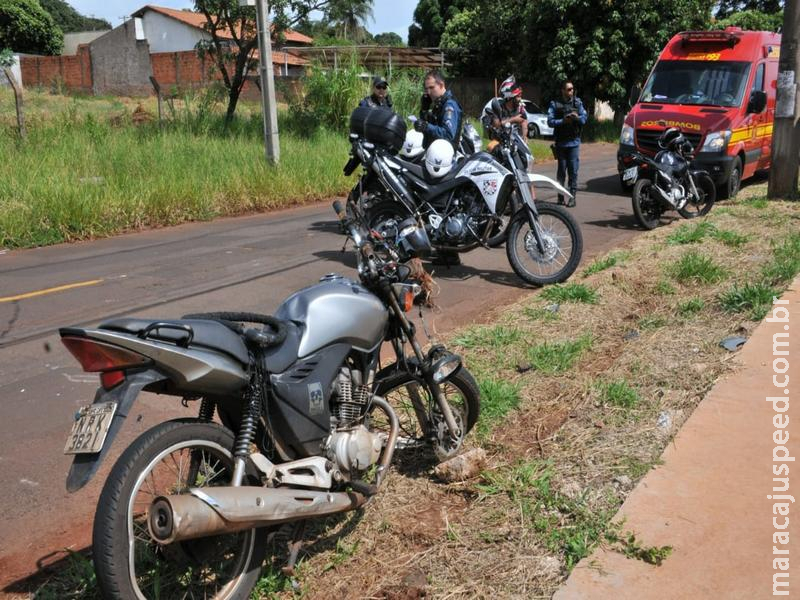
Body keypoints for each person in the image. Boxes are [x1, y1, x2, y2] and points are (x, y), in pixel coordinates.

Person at [547, 81, 587, 208]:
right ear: (563, 90)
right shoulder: (555, 104)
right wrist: (563, 121)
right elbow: (550, 121)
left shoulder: (577, 103)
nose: (571, 91)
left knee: (573, 171)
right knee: (561, 172)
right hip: (561, 143)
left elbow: (584, 118)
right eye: (569, 89)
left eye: (572, 89)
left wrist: (577, 118)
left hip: (574, 142)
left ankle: (572, 197)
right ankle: (560, 196)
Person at [414, 70, 463, 150]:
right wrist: (424, 109)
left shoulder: (449, 105)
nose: (429, 92)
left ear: (441, 85)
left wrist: (426, 126)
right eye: (426, 89)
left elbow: (448, 134)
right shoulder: (438, 103)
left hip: (444, 156)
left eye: (431, 87)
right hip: (433, 153)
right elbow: (431, 126)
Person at [481, 76, 528, 141]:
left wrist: (524, 136)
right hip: (495, 138)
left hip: (510, 139)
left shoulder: (519, 107)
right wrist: (514, 119)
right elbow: (496, 125)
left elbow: (524, 121)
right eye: (518, 96)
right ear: (510, 97)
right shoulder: (497, 106)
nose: (520, 99)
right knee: (492, 147)